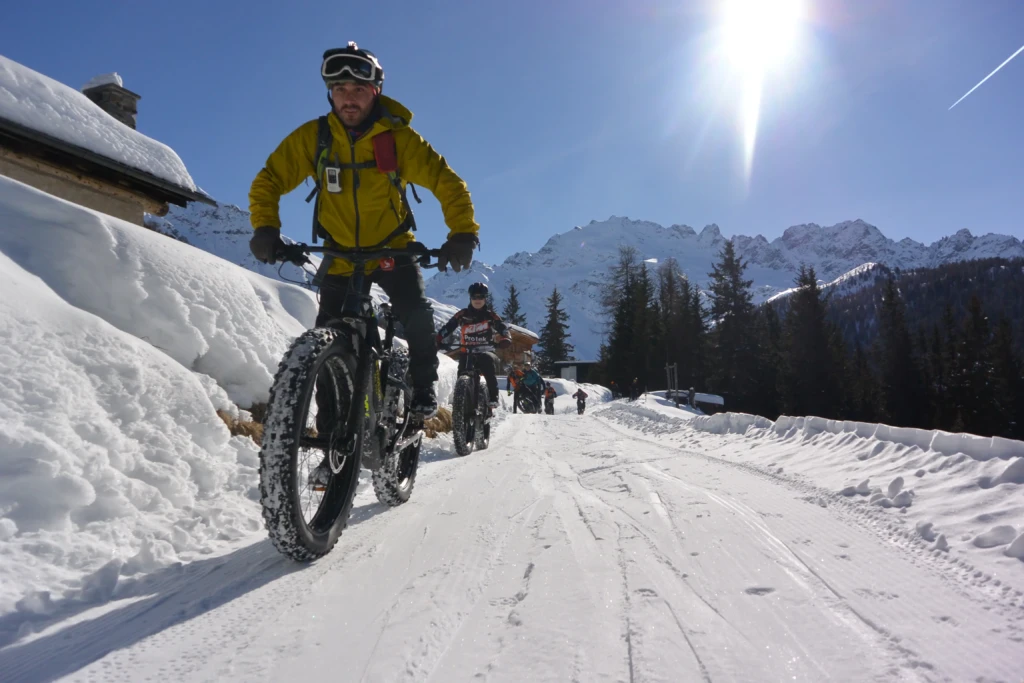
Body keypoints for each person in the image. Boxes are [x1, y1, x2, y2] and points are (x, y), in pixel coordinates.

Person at [248, 42, 480, 419]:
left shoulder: (399, 139)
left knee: (417, 316)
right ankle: (329, 436)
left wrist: (462, 234)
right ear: (330, 94)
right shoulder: (315, 138)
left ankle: (422, 388)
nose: (348, 99)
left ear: (375, 92)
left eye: (358, 90)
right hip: (340, 255)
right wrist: (266, 228)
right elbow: (269, 180)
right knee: (324, 342)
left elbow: (447, 183)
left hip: (392, 250)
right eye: (340, 90)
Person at [435, 282, 511, 413]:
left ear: (485, 298)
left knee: (488, 369)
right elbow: (448, 327)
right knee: (461, 378)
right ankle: (460, 404)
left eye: (481, 297)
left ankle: (493, 397)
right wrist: (438, 339)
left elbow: (503, 328)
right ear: (470, 298)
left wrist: (506, 338)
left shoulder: (490, 316)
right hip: (466, 351)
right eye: (474, 297)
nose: (477, 300)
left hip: (485, 350)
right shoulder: (462, 314)